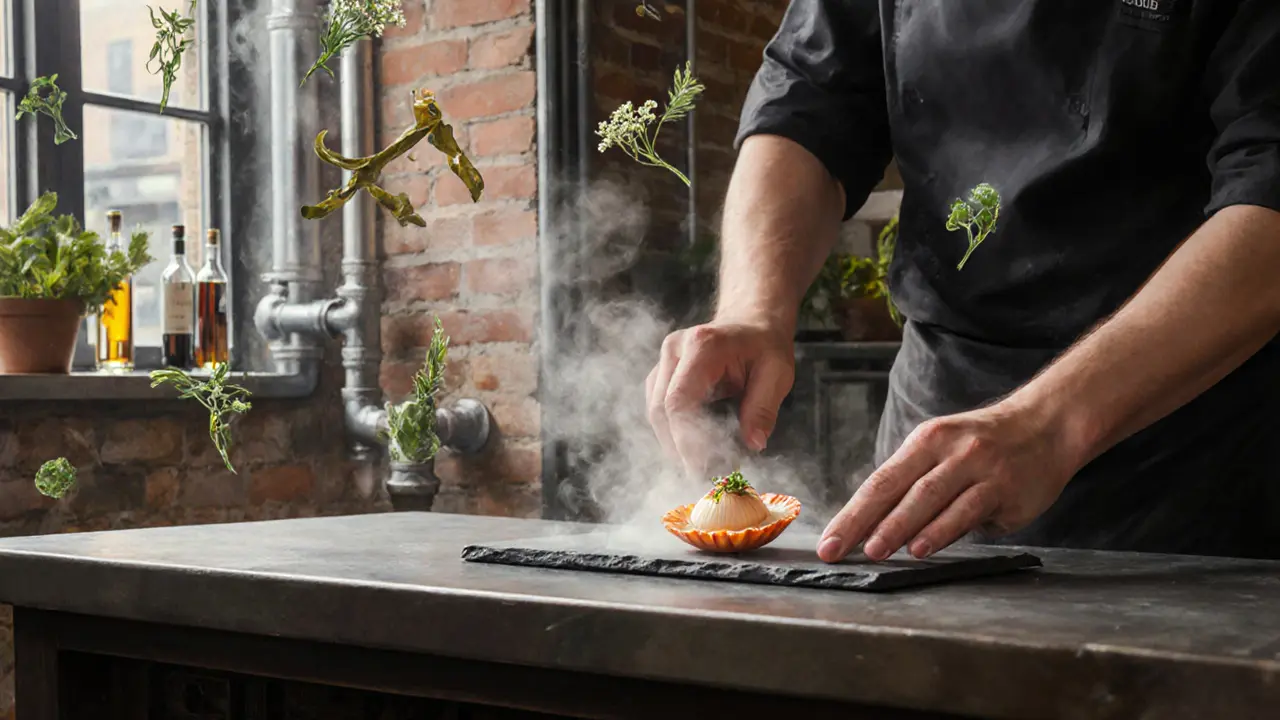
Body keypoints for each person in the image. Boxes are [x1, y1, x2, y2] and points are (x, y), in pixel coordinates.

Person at [644, 0, 1280, 563]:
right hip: (935, 429)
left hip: (1189, 458)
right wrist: (754, 310)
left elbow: (1268, 186)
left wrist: (1053, 423)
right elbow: (809, 102)